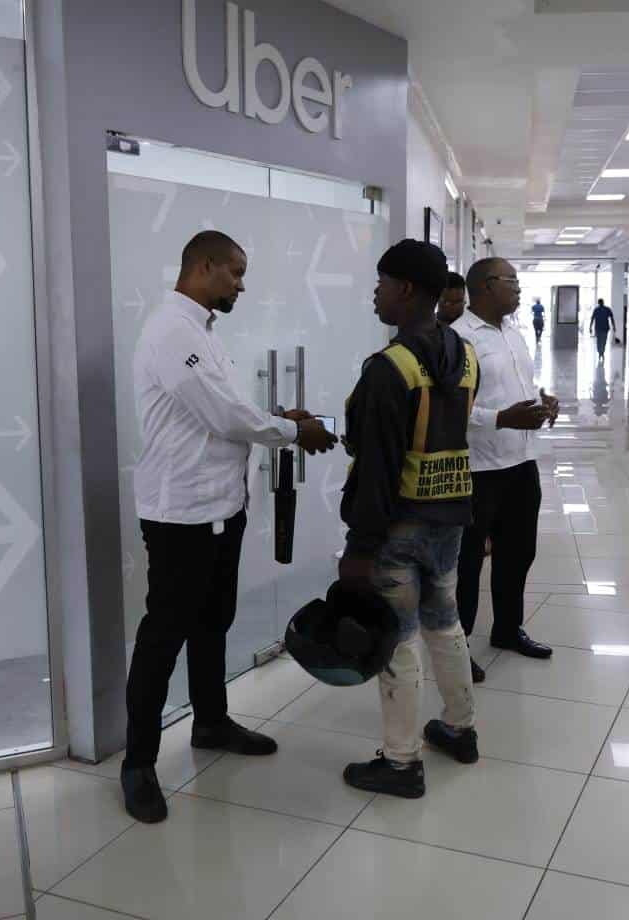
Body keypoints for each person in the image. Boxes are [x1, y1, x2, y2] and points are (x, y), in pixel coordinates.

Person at [122, 230, 338, 824]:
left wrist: (278, 418)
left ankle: (210, 721)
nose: (242, 284)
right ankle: (137, 763)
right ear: (204, 265)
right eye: (235, 273)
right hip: (180, 515)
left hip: (222, 506)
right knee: (164, 634)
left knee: (214, 620)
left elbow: (225, 410)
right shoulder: (172, 331)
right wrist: (296, 431)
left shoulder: (204, 335)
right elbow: (222, 414)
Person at [338, 240, 480, 798]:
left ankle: (400, 763)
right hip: (449, 518)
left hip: (397, 526)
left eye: (381, 282)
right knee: (445, 622)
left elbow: (377, 466)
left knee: (396, 638)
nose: (375, 292)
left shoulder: (389, 368)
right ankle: (459, 728)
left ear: (407, 291)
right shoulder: (465, 357)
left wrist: (360, 546)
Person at [453, 258, 558, 681]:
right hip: (478, 467)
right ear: (482, 287)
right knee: (468, 561)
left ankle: (508, 629)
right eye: (510, 281)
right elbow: (449, 408)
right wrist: (501, 418)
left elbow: (520, 389)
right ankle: (456, 645)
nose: (517, 287)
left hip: (521, 461)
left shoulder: (513, 334)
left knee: (519, 552)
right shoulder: (459, 339)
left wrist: (542, 401)